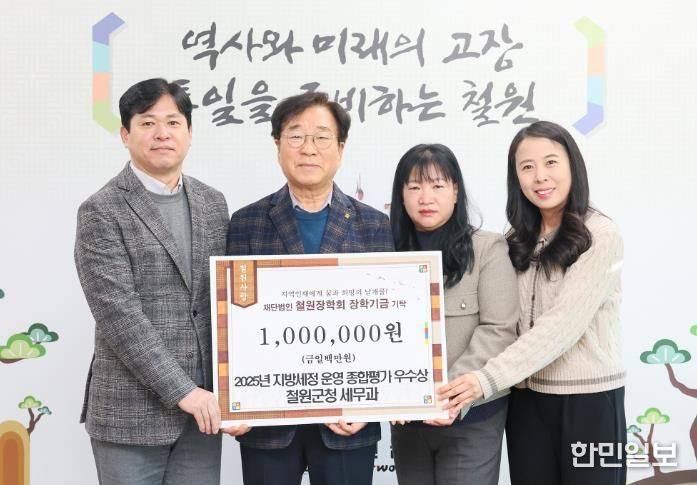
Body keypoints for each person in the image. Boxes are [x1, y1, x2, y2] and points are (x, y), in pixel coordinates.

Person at [438, 121, 626, 485]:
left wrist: (484, 379)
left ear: (573, 165)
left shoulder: (601, 235)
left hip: (589, 400)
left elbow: (561, 326)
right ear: (517, 178)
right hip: (524, 401)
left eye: (551, 162)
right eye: (527, 167)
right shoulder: (515, 239)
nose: (540, 176)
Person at [225, 91, 394, 485]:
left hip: (347, 420)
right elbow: (231, 322)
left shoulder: (374, 225)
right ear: (278, 146)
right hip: (266, 421)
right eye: (296, 136)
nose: (308, 149)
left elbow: (387, 328)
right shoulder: (246, 222)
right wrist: (233, 398)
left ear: (340, 148)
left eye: (321, 137)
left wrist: (371, 405)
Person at [74, 78, 229, 485]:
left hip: (203, 418)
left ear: (189, 133)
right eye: (147, 123)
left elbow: (224, 302)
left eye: (173, 122)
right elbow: (119, 317)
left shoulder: (213, 203)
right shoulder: (101, 211)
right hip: (131, 416)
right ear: (125, 135)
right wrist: (184, 392)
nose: (162, 133)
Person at [388, 144, 519, 485]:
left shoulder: (488, 249)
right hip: (407, 418)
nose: (426, 197)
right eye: (414, 187)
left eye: (437, 185)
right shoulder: (385, 251)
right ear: (401, 195)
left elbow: (499, 329)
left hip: (472, 415)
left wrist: (446, 395)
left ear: (456, 191)